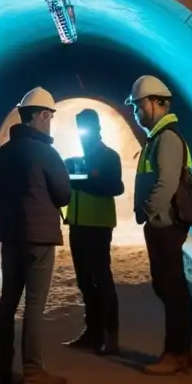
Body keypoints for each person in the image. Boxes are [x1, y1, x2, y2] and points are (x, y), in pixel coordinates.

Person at [0, 87, 72, 384]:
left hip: (10, 237)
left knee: (7, 301)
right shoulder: (47, 154)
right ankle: (33, 371)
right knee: (34, 304)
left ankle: (4, 370)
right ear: (43, 116)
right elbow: (63, 194)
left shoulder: (1, 154)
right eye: (50, 116)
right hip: (41, 239)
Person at [127, 75, 192, 376]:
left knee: (173, 287)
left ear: (156, 103)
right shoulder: (158, 137)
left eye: (138, 106)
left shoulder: (166, 138)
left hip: (165, 223)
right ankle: (180, 353)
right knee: (166, 285)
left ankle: (176, 353)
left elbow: (166, 182)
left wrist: (148, 210)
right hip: (161, 222)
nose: (136, 112)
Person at [62, 109, 124, 356]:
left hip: (98, 226)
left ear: (97, 128)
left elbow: (115, 186)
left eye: (86, 128)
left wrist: (80, 180)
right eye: (80, 129)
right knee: (85, 282)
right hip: (77, 224)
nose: (83, 134)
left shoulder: (109, 157)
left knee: (102, 281)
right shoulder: (80, 159)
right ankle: (92, 332)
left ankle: (111, 336)